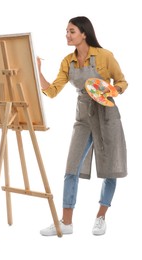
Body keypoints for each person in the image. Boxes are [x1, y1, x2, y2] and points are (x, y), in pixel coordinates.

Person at [37, 16, 128, 236]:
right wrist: (37, 72)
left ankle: (101, 216)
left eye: (72, 31)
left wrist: (109, 90)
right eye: (66, 31)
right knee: (71, 168)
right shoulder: (67, 61)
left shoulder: (105, 56)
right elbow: (52, 91)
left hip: (107, 114)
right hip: (83, 117)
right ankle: (66, 222)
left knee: (110, 168)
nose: (67, 35)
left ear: (84, 33)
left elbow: (122, 82)